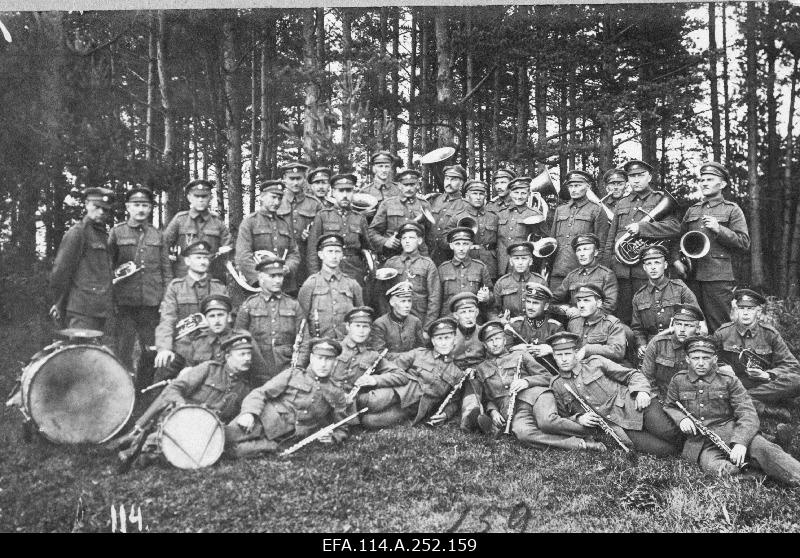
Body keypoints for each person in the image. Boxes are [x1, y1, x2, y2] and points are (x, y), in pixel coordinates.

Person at [664, 335, 800, 485]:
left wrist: (741, 443)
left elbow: (747, 412)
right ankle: (758, 473)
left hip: (733, 431)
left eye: (706, 358)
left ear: (715, 359)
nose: (701, 363)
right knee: (715, 468)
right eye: (696, 358)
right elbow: (669, 405)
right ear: (688, 359)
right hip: (703, 442)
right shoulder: (678, 380)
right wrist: (681, 419)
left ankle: (789, 472)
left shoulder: (728, 380)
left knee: (766, 450)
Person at [115, 331, 257, 469]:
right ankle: (142, 443)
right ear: (228, 356)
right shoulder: (209, 369)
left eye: (249, 354)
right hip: (179, 417)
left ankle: (145, 446)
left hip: (204, 430)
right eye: (242, 354)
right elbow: (175, 387)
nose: (247, 358)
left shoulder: (245, 389)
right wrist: (182, 407)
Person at [470, 321, 607, 452]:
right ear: (485, 345)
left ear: (505, 340)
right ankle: (582, 444)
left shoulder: (520, 355)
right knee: (523, 434)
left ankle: (594, 430)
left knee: (547, 422)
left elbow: (548, 377)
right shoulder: (481, 369)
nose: (495, 344)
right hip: (514, 410)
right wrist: (493, 411)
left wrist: (526, 382)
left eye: (498, 339)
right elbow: (487, 398)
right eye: (490, 341)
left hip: (537, 395)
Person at [548, 332, 682, 456]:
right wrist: (578, 419)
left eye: (568, 354)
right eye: (559, 355)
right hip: (619, 427)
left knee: (670, 433)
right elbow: (563, 418)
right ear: (554, 356)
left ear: (576, 353)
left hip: (636, 406)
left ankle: (699, 448)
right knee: (665, 450)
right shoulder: (557, 385)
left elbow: (632, 375)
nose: (564, 359)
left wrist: (642, 391)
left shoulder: (595, 363)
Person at [225, 338, 354, 458]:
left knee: (236, 451)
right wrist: (249, 413)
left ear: (335, 362)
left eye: (329, 359)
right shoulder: (293, 374)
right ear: (311, 358)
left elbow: (342, 426)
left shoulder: (337, 393)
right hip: (262, 420)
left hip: (284, 440)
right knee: (224, 437)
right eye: (319, 358)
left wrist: (333, 437)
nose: (323, 364)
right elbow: (260, 393)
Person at [670, 162, 751, 332]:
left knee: (719, 324)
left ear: (722, 184)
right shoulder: (693, 210)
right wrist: (676, 261)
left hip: (718, 278)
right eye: (702, 179)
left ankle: (723, 358)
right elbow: (678, 238)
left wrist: (719, 229)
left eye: (710, 179)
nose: (704, 183)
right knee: (690, 323)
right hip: (692, 275)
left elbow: (744, 242)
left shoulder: (732, 210)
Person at [108, 187, 173, 388]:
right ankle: (121, 390)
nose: (141, 209)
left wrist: (166, 299)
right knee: (122, 350)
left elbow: (166, 270)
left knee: (151, 351)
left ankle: (141, 390)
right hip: (125, 304)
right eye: (136, 205)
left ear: (151, 208)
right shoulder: (117, 232)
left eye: (145, 205)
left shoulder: (157, 235)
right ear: (128, 207)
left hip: (151, 304)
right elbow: (107, 268)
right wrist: (110, 299)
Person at [353, 317, 467, 429]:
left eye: (447, 338)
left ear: (454, 340)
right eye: (439, 339)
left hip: (413, 409)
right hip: (398, 391)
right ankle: (340, 414)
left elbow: (454, 401)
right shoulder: (419, 353)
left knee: (369, 421)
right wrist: (376, 380)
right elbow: (393, 369)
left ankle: (354, 418)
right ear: (433, 341)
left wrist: (446, 414)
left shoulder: (457, 373)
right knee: (369, 401)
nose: (443, 343)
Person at [603, 160, 680, 324]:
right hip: (621, 271)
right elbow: (611, 237)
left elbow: (674, 228)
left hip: (645, 271)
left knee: (647, 316)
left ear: (649, 177)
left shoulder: (659, 199)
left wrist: (642, 228)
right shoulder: (622, 203)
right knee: (622, 317)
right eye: (632, 176)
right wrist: (608, 266)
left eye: (640, 175)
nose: (636, 180)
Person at [713, 288, 800, 420]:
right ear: (736, 310)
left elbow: (792, 366)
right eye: (742, 308)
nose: (745, 313)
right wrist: (720, 368)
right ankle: (767, 409)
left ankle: (741, 400)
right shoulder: (723, 333)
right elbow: (707, 359)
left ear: (758, 312)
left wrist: (767, 375)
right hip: (734, 383)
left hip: (763, 385)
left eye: (750, 309)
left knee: (796, 381)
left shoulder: (769, 334)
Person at [154, 293, 269, 385]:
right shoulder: (197, 341)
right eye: (212, 316)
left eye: (220, 315)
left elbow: (261, 373)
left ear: (229, 317)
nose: (217, 320)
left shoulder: (242, 338)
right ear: (206, 319)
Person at [153, 240, 228, 370]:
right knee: (163, 376)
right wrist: (164, 348)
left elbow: (229, 320)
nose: (203, 262)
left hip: (214, 349)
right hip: (184, 350)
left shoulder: (218, 287)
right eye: (198, 258)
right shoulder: (176, 287)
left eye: (206, 258)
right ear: (187, 261)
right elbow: (167, 320)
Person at [49, 187, 115, 333]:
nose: (101, 212)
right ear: (86, 204)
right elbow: (60, 272)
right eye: (96, 207)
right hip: (81, 310)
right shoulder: (77, 233)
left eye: (105, 210)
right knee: (80, 352)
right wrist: (59, 303)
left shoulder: (103, 236)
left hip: (99, 309)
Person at [234, 256, 305, 379]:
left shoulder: (293, 305)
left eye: (280, 276)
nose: (278, 280)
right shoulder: (249, 306)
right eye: (272, 276)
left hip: (287, 371)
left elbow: (304, 339)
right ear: (261, 278)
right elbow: (238, 339)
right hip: (256, 372)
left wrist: (297, 368)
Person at [235, 179, 301, 296]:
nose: (277, 202)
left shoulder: (285, 224)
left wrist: (288, 268)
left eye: (280, 198)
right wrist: (259, 279)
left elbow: (294, 254)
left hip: (284, 286)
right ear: (262, 197)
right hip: (258, 288)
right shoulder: (249, 222)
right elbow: (243, 256)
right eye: (273, 197)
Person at [631, 245, 699, 358]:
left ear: (665, 265)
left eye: (657, 262)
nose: (653, 267)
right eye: (649, 264)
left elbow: (697, 319)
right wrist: (641, 345)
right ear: (644, 267)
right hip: (653, 349)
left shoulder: (680, 288)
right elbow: (637, 328)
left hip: (679, 345)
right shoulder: (639, 296)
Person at [307, 173, 372, 287]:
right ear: (333, 192)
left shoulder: (360, 218)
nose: (345, 195)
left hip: (354, 272)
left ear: (353, 193)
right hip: (328, 270)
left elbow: (367, 248)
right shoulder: (323, 216)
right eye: (341, 191)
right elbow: (312, 250)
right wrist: (315, 276)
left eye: (349, 191)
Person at [549, 170, 610, 289]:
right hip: (558, 270)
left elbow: (602, 245)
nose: (573, 189)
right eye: (570, 186)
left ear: (588, 186)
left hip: (583, 271)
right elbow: (552, 242)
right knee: (555, 306)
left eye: (577, 185)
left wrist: (596, 273)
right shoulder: (560, 210)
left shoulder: (596, 210)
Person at [163, 179, 232, 280]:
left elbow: (229, 246)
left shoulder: (217, 221)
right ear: (189, 198)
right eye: (196, 196)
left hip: (211, 277)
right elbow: (164, 245)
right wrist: (170, 262)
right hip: (183, 277)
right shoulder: (180, 219)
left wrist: (223, 254)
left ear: (210, 198)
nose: (200, 200)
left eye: (204, 196)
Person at [298, 233, 364, 338]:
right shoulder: (310, 284)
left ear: (342, 255)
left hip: (345, 345)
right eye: (330, 251)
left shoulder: (352, 285)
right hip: (318, 346)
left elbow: (360, 319)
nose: (334, 256)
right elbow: (301, 322)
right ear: (320, 254)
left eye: (337, 252)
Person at [329, 306, 401, 396]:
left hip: (353, 404)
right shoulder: (333, 348)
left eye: (365, 327)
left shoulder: (372, 355)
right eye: (357, 326)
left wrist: (374, 380)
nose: (361, 331)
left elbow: (400, 375)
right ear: (347, 326)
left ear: (370, 329)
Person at [640, 303, 704, 400]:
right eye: (678, 324)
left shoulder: (703, 348)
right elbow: (647, 377)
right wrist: (658, 399)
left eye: (688, 325)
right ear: (673, 325)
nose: (682, 330)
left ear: (698, 329)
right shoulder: (658, 344)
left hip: (693, 400)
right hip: (661, 398)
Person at [383, 222, 441, 328]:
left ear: (419, 241)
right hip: (394, 320)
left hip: (420, 320)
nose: (407, 241)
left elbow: (434, 299)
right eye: (404, 238)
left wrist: (427, 328)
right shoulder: (391, 263)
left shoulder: (427, 264)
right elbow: (382, 296)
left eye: (411, 238)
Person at [367, 168, 433, 258]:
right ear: (399, 185)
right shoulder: (387, 204)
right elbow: (372, 232)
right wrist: (385, 242)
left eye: (412, 184)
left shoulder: (425, 204)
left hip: (418, 257)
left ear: (418, 185)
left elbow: (430, 236)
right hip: (393, 255)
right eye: (405, 185)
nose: (409, 188)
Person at [277, 161, 321, 292]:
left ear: (304, 179)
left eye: (299, 178)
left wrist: (312, 234)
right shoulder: (276, 201)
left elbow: (323, 232)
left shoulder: (315, 204)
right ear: (284, 179)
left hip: (306, 258)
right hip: (282, 257)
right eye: (291, 179)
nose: (295, 183)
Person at [550, 233, 618, 317]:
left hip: (598, 324)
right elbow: (552, 300)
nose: (582, 254)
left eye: (586, 249)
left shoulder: (606, 275)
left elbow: (610, 306)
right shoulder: (572, 276)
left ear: (595, 252)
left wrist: (583, 313)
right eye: (579, 250)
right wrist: (565, 309)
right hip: (574, 324)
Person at [446, 179, 500, 280]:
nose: (478, 197)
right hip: (466, 261)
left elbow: (500, 242)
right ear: (467, 196)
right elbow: (446, 241)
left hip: (490, 262)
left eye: (481, 194)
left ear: (485, 196)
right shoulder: (457, 217)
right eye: (474, 193)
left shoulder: (493, 217)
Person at [505, 283, 563, 373]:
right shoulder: (514, 325)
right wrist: (515, 349)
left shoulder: (555, 327)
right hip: (521, 374)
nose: (530, 307)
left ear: (546, 306)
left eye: (535, 303)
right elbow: (503, 353)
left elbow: (565, 354)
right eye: (528, 302)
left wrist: (551, 350)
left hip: (548, 376)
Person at [496, 176, 548, 276]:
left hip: (524, 265)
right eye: (516, 192)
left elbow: (544, 242)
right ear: (510, 193)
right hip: (501, 264)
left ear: (529, 194)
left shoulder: (535, 214)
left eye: (523, 193)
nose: (519, 196)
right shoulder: (500, 213)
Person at [438, 227, 493, 317]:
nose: (461, 248)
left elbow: (491, 295)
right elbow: (437, 299)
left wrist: (487, 297)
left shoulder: (480, 267)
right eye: (457, 244)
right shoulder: (443, 269)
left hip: (473, 319)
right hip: (449, 319)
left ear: (471, 245)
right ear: (451, 246)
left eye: (465, 244)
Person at [566, 284, 627, 364]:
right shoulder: (573, 322)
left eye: (586, 300)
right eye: (579, 300)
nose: (581, 305)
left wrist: (588, 349)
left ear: (598, 303)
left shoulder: (612, 324)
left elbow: (618, 351)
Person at [368, 281, 425, 359]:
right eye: (403, 301)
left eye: (409, 301)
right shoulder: (380, 324)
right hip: (388, 367)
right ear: (392, 302)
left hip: (412, 367)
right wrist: (407, 357)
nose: (407, 305)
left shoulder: (415, 322)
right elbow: (379, 353)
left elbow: (421, 350)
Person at [492, 242, 547, 319]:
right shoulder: (502, 283)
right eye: (516, 258)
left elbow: (546, 310)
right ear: (511, 261)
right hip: (509, 326)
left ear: (530, 261)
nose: (520, 263)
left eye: (524, 258)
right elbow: (493, 311)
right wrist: (500, 321)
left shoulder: (540, 282)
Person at [428, 164, 469, 265]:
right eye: (447, 179)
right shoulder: (434, 200)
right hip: (429, 255)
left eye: (453, 180)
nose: (448, 183)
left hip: (451, 258)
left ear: (461, 183)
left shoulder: (466, 205)